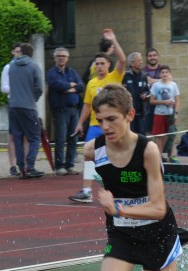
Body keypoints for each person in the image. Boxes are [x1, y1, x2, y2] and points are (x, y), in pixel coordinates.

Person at [85, 83, 188, 271]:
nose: (105, 127)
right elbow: (91, 171)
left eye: (112, 119)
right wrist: (94, 190)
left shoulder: (148, 150)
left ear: (129, 115)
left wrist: (116, 207)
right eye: (100, 120)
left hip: (158, 233)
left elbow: (158, 208)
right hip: (122, 234)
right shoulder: (93, 149)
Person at [70, 28, 126, 203]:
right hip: (95, 125)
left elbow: (123, 60)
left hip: (113, 125)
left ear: (108, 64)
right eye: (97, 63)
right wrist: (80, 122)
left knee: (115, 157)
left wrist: (113, 40)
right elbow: (87, 105)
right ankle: (86, 191)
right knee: (88, 155)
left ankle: (120, 189)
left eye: (102, 63)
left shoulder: (115, 77)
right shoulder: (91, 83)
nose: (99, 66)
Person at [8, 42, 45, 178]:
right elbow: (39, 88)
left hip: (13, 106)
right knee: (34, 137)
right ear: (32, 54)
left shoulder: (12, 66)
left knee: (17, 138)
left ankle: (22, 167)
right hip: (28, 106)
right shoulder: (34, 66)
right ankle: (30, 166)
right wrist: (33, 98)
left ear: (21, 52)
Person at [46, 47, 84, 176]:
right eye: (59, 56)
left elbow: (81, 86)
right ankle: (59, 166)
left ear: (67, 58)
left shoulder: (72, 72)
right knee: (61, 139)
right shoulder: (51, 73)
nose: (61, 58)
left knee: (73, 138)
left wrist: (68, 89)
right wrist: (70, 85)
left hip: (74, 109)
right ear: (55, 58)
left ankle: (70, 165)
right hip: (60, 110)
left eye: (64, 56)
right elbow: (56, 86)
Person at [150, 65, 180, 163]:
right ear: (159, 74)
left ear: (170, 74)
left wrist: (176, 113)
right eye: (162, 72)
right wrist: (164, 102)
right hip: (159, 114)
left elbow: (177, 100)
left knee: (172, 135)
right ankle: (159, 157)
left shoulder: (173, 85)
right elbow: (152, 101)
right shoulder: (156, 85)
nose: (165, 74)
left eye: (166, 72)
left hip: (170, 114)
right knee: (160, 137)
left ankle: (172, 156)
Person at [1, 42, 23, 177]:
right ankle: (12, 165)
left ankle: (24, 165)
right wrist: (18, 88)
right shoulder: (8, 67)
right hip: (13, 102)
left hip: (25, 103)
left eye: (21, 51)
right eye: (16, 51)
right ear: (13, 52)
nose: (18, 53)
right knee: (12, 135)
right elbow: (4, 88)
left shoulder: (27, 67)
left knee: (25, 135)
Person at [122, 52, 150, 135]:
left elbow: (148, 91)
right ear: (132, 63)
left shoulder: (144, 75)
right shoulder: (126, 76)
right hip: (130, 113)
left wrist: (145, 95)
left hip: (142, 113)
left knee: (142, 136)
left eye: (141, 60)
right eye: (138, 60)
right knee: (131, 135)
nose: (141, 62)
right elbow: (122, 92)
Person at [143, 48, 162, 134]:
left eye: (154, 55)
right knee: (149, 131)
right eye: (150, 56)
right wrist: (161, 81)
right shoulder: (143, 71)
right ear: (147, 58)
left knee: (162, 132)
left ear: (158, 56)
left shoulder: (163, 69)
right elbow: (148, 81)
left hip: (162, 105)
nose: (152, 57)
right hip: (148, 106)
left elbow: (169, 80)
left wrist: (152, 81)